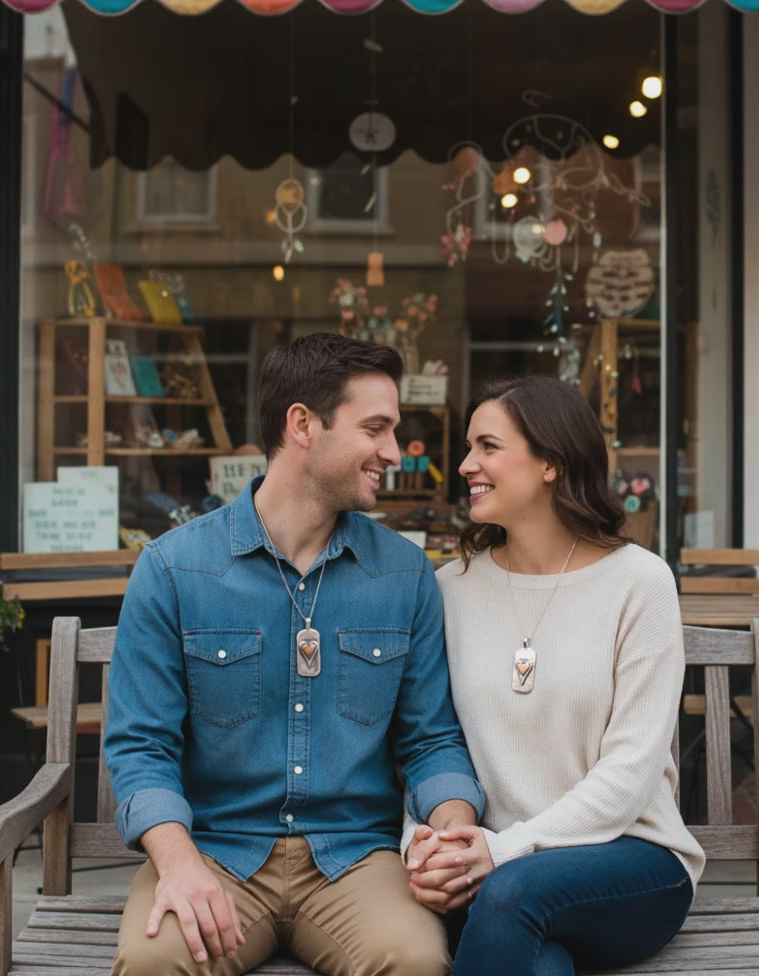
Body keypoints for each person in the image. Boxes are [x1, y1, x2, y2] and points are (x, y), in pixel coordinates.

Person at [105, 333, 485, 976]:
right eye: (375, 429)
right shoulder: (173, 569)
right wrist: (177, 865)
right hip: (216, 853)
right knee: (153, 964)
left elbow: (431, 740)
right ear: (303, 425)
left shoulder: (403, 574)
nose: (392, 452)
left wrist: (452, 828)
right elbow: (141, 749)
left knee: (416, 960)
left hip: (354, 861)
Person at [405, 375, 705, 976]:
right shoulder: (450, 588)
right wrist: (420, 841)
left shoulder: (639, 583)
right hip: (487, 870)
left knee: (514, 896)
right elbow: (426, 740)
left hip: (628, 859)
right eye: (469, 447)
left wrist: (504, 850)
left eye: (488, 446)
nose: (466, 465)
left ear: (551, 462)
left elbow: (628, 774)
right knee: (538, 963)